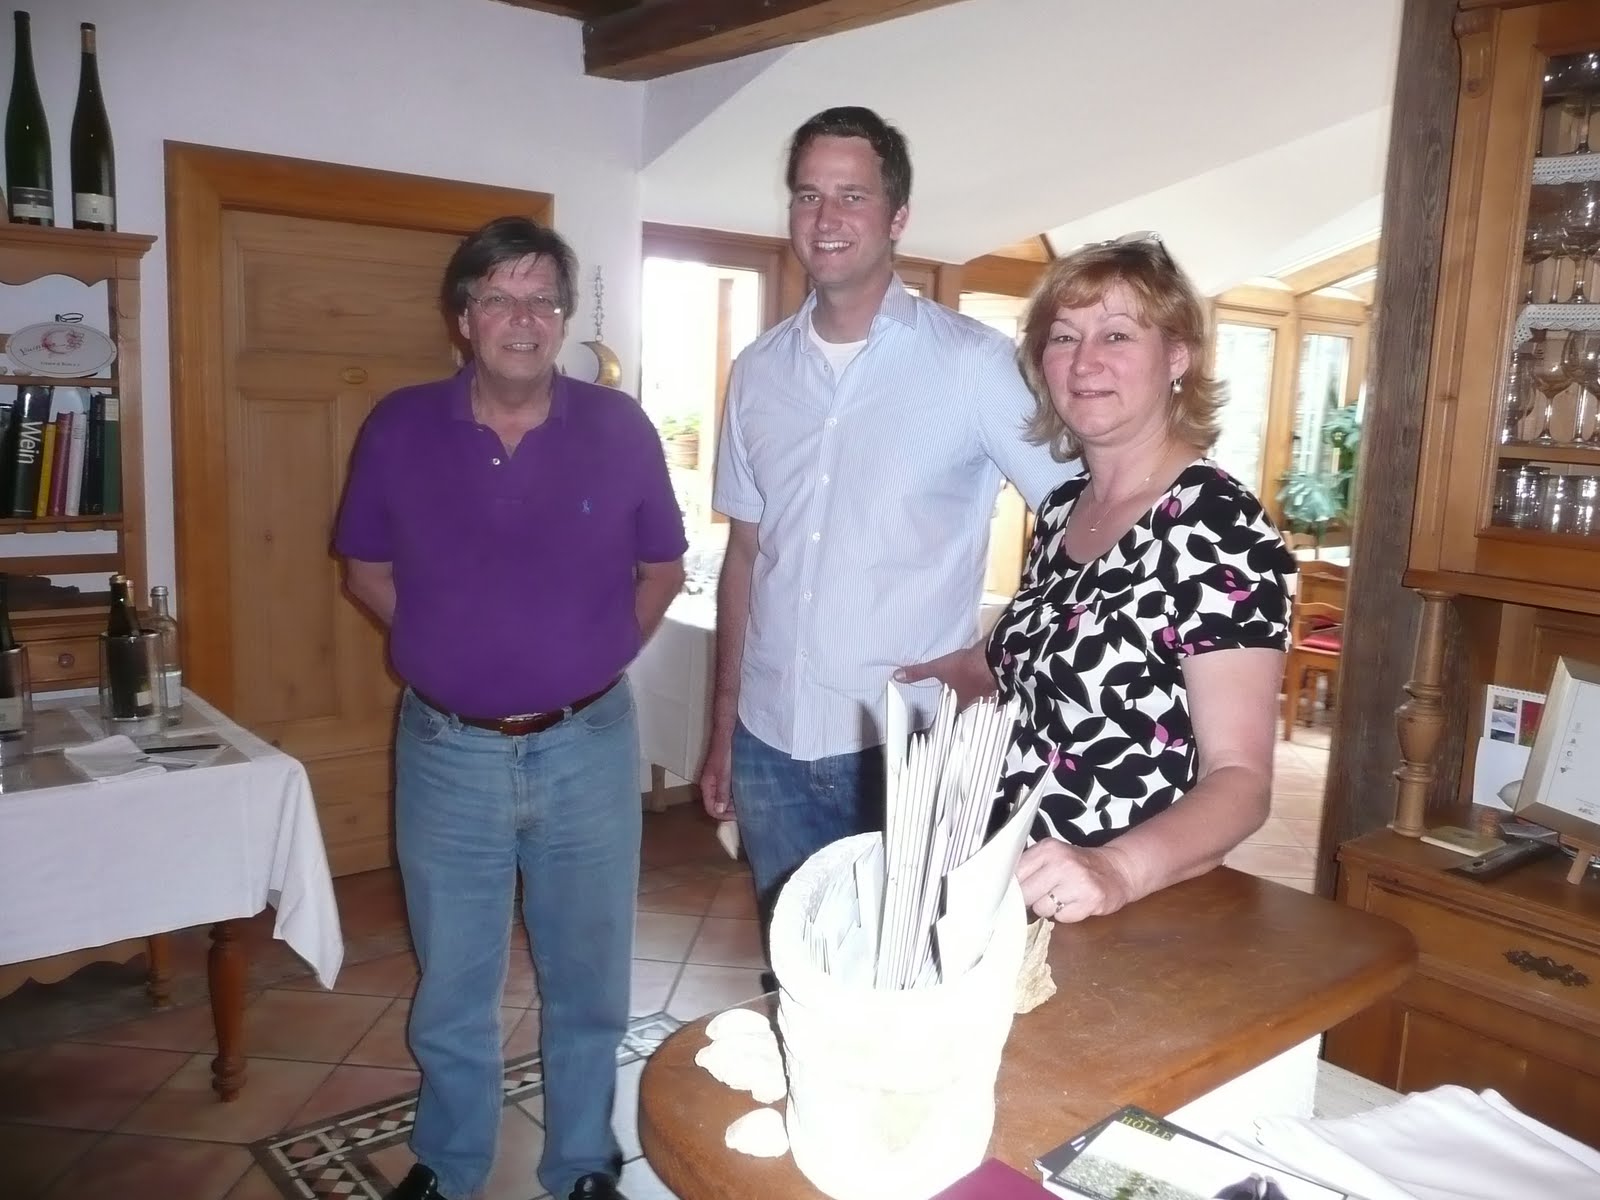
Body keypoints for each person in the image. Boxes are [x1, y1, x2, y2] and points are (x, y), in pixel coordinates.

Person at [335, 216, 687, 1200]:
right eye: (498, 297)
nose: (522, 318)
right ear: (464, 318)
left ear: (565, 319)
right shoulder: (400, 426)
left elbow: (663, 568)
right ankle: (450, 1165)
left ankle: (582, 1163)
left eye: (541, 299)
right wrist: (440, 646)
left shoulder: (619, 428)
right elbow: (364, 568)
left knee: (588, 978)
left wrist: (601, 654)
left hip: (588, 747)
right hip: (447, 750)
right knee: (453, 981)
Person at [699, 105, 1077, 912]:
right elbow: (747, 555)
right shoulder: (759, 371)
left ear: (897, 216)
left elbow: (1081, 522)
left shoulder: (975, 365)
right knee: (788, 962)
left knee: (905, 968)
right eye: (808, 196)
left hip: (905, 750)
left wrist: (1000, 653)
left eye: (852, 196)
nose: (826, 218)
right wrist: (724, 722)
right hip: (769, 741)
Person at [912, 233, 1294, 924]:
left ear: (1177, 356)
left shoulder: (1216, 525)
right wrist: (947, 672)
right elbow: (1057, 654)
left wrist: (1116, 870)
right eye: (1063, 338)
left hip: (1123, 909)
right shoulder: (1064, 509)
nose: (1084, 362)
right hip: (1005, 884)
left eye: (1116, 334)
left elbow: (1241, 781)